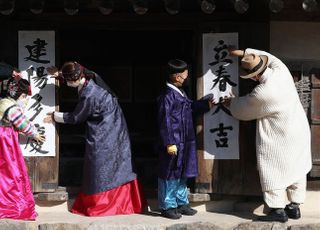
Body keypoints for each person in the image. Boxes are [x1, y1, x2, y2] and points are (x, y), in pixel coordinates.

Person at [44, 61, 146, 216]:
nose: (67, 83)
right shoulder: (90, 77)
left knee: (99, 165)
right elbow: (72, 80)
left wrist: (54, 116)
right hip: (114, 125)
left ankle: (102, 203)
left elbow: (76, 117)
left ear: (75, 79)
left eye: (68, 80)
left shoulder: (90, 94)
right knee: (117, 162)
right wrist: (59, 75)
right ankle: (126, 201)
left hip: (106, 130)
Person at [225, 48, 312, 223]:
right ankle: (294, 206)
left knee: (273, 168)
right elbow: (273, 58)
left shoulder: (263, 92)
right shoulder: (282, 71)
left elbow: (242, 110)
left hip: (279, 135)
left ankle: (277, 209)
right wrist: (245, 52)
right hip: (299, 129)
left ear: (254, 77)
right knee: (297, 167)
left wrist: (230, 103)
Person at [157, 59, 214, 219]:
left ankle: (181, 203)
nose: (187, 76)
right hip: (174, 142)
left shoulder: (180, 93)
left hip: (186, 140)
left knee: (183, 172)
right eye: (185, 74)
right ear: (176, 77)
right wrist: (169, 142)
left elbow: (190, 107)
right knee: (170, 173)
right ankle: (167, 206)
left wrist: (206, 105)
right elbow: (165, 121)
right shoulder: (167, 96)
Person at [0, 77, 45, 220]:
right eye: (24, 96)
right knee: (11, 172)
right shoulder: (12, 108)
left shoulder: (3, 102)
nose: (25, 100)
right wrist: (35, 134)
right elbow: (23, 124)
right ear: (16, 95)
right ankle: (11, 204)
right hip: (6, 142)